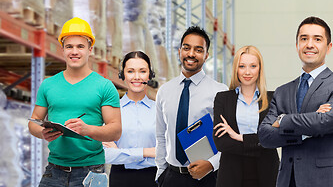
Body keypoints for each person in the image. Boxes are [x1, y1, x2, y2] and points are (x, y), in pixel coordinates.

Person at [257, 16, 333, 187]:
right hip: (288, 181)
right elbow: (265, 136)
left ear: (329, 47)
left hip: (327, 181)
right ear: (297, 46)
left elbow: (325, 122)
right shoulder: (282, 92)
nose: (309, 44)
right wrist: (308, 127)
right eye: (304, 39)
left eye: (317, 39)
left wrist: (282, 120)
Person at [28, 17, 122, 187]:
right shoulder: (48, 85)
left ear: (90, 49)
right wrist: (42, 132)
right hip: (54, 172)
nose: (74, 52)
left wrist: (87, 129)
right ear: (62, 49)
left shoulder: (104, 86)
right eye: (69, 46)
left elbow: (115, 131)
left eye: (80, 46)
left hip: (91, 172)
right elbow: (34, 120)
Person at [155, 26, 228, 186]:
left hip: (206, 178)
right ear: (180, 50)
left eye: (198, 50)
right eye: (186, 48)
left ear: (206, 55)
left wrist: (211, 165)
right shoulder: (164, 91)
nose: (191, 54)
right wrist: (160, 173)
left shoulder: (219, 91)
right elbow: (161, 136)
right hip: (171, 178)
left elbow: (229, 141)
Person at [212, 46, 279, 187]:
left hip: (267, 174)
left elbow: (275, 138)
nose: (247, 72)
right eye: (242, 66)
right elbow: (221, 142)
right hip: (231, 175)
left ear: (260, 69)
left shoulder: (273, 99)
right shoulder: (223, 99)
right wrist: (259, 142)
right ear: (236, 69)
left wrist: (239, 137)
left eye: (253, 66)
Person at [103, 51, 157, 187]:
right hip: (120, 179)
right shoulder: (112, 111)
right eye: (131, 71)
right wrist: (147, 152)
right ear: (123, 75)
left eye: (142, 71)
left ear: (150, 75)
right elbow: (106, 154)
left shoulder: (160, 111)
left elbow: (166, 152)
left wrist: (120, 153)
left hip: (154, 179)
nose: (137, 77)